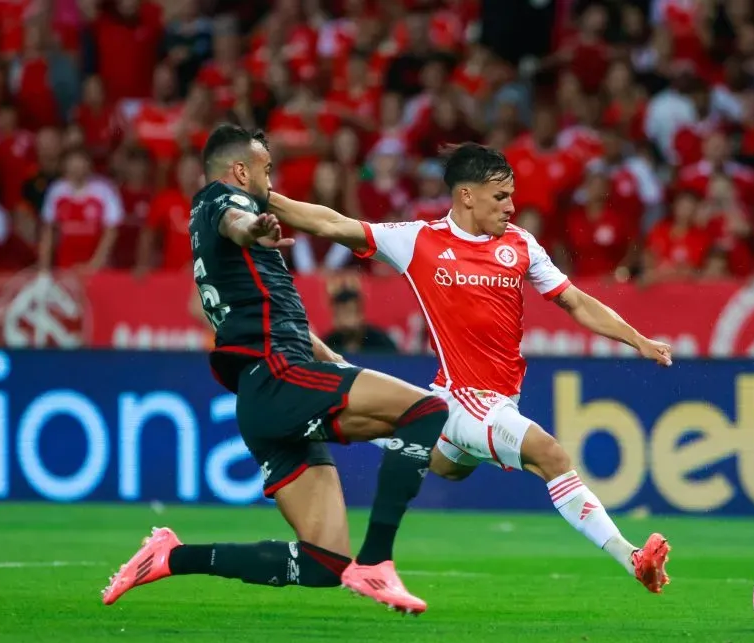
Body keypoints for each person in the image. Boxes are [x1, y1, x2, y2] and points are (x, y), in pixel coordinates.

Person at [268, 143, 672, 594]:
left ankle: (343, 404)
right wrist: (264, 197)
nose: (511, 207)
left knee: (449, 467)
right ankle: (632, 558)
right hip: (466, 397)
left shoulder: (520, 244)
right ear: (466, 195)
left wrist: (637, 339)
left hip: (483, 401)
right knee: (550, 455)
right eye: (500, 197)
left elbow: (575, 301)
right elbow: (332, 223)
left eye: (511, 196)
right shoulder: (418, 240)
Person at [101, 124, 451, 615]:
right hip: (281, 375)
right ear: (240, 171)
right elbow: (236, 220)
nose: (271, 178)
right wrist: (254, 228)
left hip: (264, 394)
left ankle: (171, 556)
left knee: (323, 563)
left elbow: (281, 317)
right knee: (427, 410)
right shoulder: (223, 201)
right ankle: (376, 562)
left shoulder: (217, 232)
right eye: (266, 168)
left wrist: (336, 363)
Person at [323, 288, 399, 355]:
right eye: (337, 314)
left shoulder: (379, 341)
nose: (342, 319)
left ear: (360, 315)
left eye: (348, 313)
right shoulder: (329, 343)